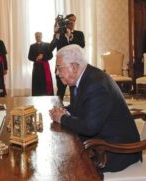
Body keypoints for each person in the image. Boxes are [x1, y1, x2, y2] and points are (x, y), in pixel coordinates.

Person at [49, 45, 141, 173]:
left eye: (59, 68)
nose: (57, 73)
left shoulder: (96, 85)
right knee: (61, 154)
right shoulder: (81, 78)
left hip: (116, 150)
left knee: (67, 166)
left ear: (74, 67)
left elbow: (90, 128)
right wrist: (63, 110)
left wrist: (63, 118)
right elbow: (79, 107)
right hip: (102, 139)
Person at [49, 14, 85, 100]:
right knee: (60, 92)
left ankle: (74, 111)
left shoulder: (79, 34)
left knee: (74, 92)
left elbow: (82, 46)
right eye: (70, 20)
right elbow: (50, 48)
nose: (72, 22)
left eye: (74, 20)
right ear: (65, 22)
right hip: (61, 68)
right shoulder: (59, 34)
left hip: (75, 68)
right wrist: (55, 36)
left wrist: (71, 37)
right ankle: (58, 109)